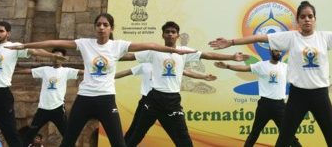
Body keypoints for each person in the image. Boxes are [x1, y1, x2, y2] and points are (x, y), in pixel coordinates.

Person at [210, 0, 332, 147]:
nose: (307, 19)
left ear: (315, 19)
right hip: (298, 96)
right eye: (303, 16)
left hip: (320, 95)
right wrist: (232, 42)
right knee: (284, 141)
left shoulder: (325, 38)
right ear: (297, 20)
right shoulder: (290, 38)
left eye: (310, 16)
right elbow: (261, 36)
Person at [11, 13, 196, 147]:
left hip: (106, 99)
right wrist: (26, 45)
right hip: (84, 99)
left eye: (105, 24)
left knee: (119, 143)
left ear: (111, 28)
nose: (101, 27)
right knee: (68, 140)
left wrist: (174, 51)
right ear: (95, 27)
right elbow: (54, 43)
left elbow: (150, 45)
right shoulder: (85, 44)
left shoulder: (118, 46)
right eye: (98, 24)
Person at [124, 21, 249, 147]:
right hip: (153, 99)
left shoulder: (183, 51)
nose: (170, 34)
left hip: (172, 102)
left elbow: (207, 54)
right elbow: (131, 56)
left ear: (177, 36)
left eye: (173, 32)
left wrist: (231, 57)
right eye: (167, 32)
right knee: (134, 137)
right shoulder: (155, 51)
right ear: (163, 35)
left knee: (184, 142)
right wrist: (110, 54)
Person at [213, 49, 302, 147]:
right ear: (270, 51)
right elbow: (244, 68)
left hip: (280, 106)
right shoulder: (261, 65)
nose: (278, 53)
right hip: (265, 105)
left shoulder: (286, 67)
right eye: (276, 51)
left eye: (280, 51)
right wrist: (227, 66)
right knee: (254, 133)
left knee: (288, 134)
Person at [114, 62, 217, 145]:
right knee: (135, 134)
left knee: (182, 138)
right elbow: (126, 72)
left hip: (168, 102)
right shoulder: (145, 65)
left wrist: (203, 76)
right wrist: (107, 77)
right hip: (147, 103)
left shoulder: (169, 64)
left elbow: (186, 72)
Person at [22, 48, 80, 147]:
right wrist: (8, 69)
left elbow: (83, 72)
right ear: (51, 58)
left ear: (63, 58)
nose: (56, 59)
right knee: (30, 134)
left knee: (67, 135)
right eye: (54, 56)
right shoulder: (45, 70)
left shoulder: (67, 71)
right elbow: (28, 71)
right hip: (43, 109)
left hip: (58, 109)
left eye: (59, 57)